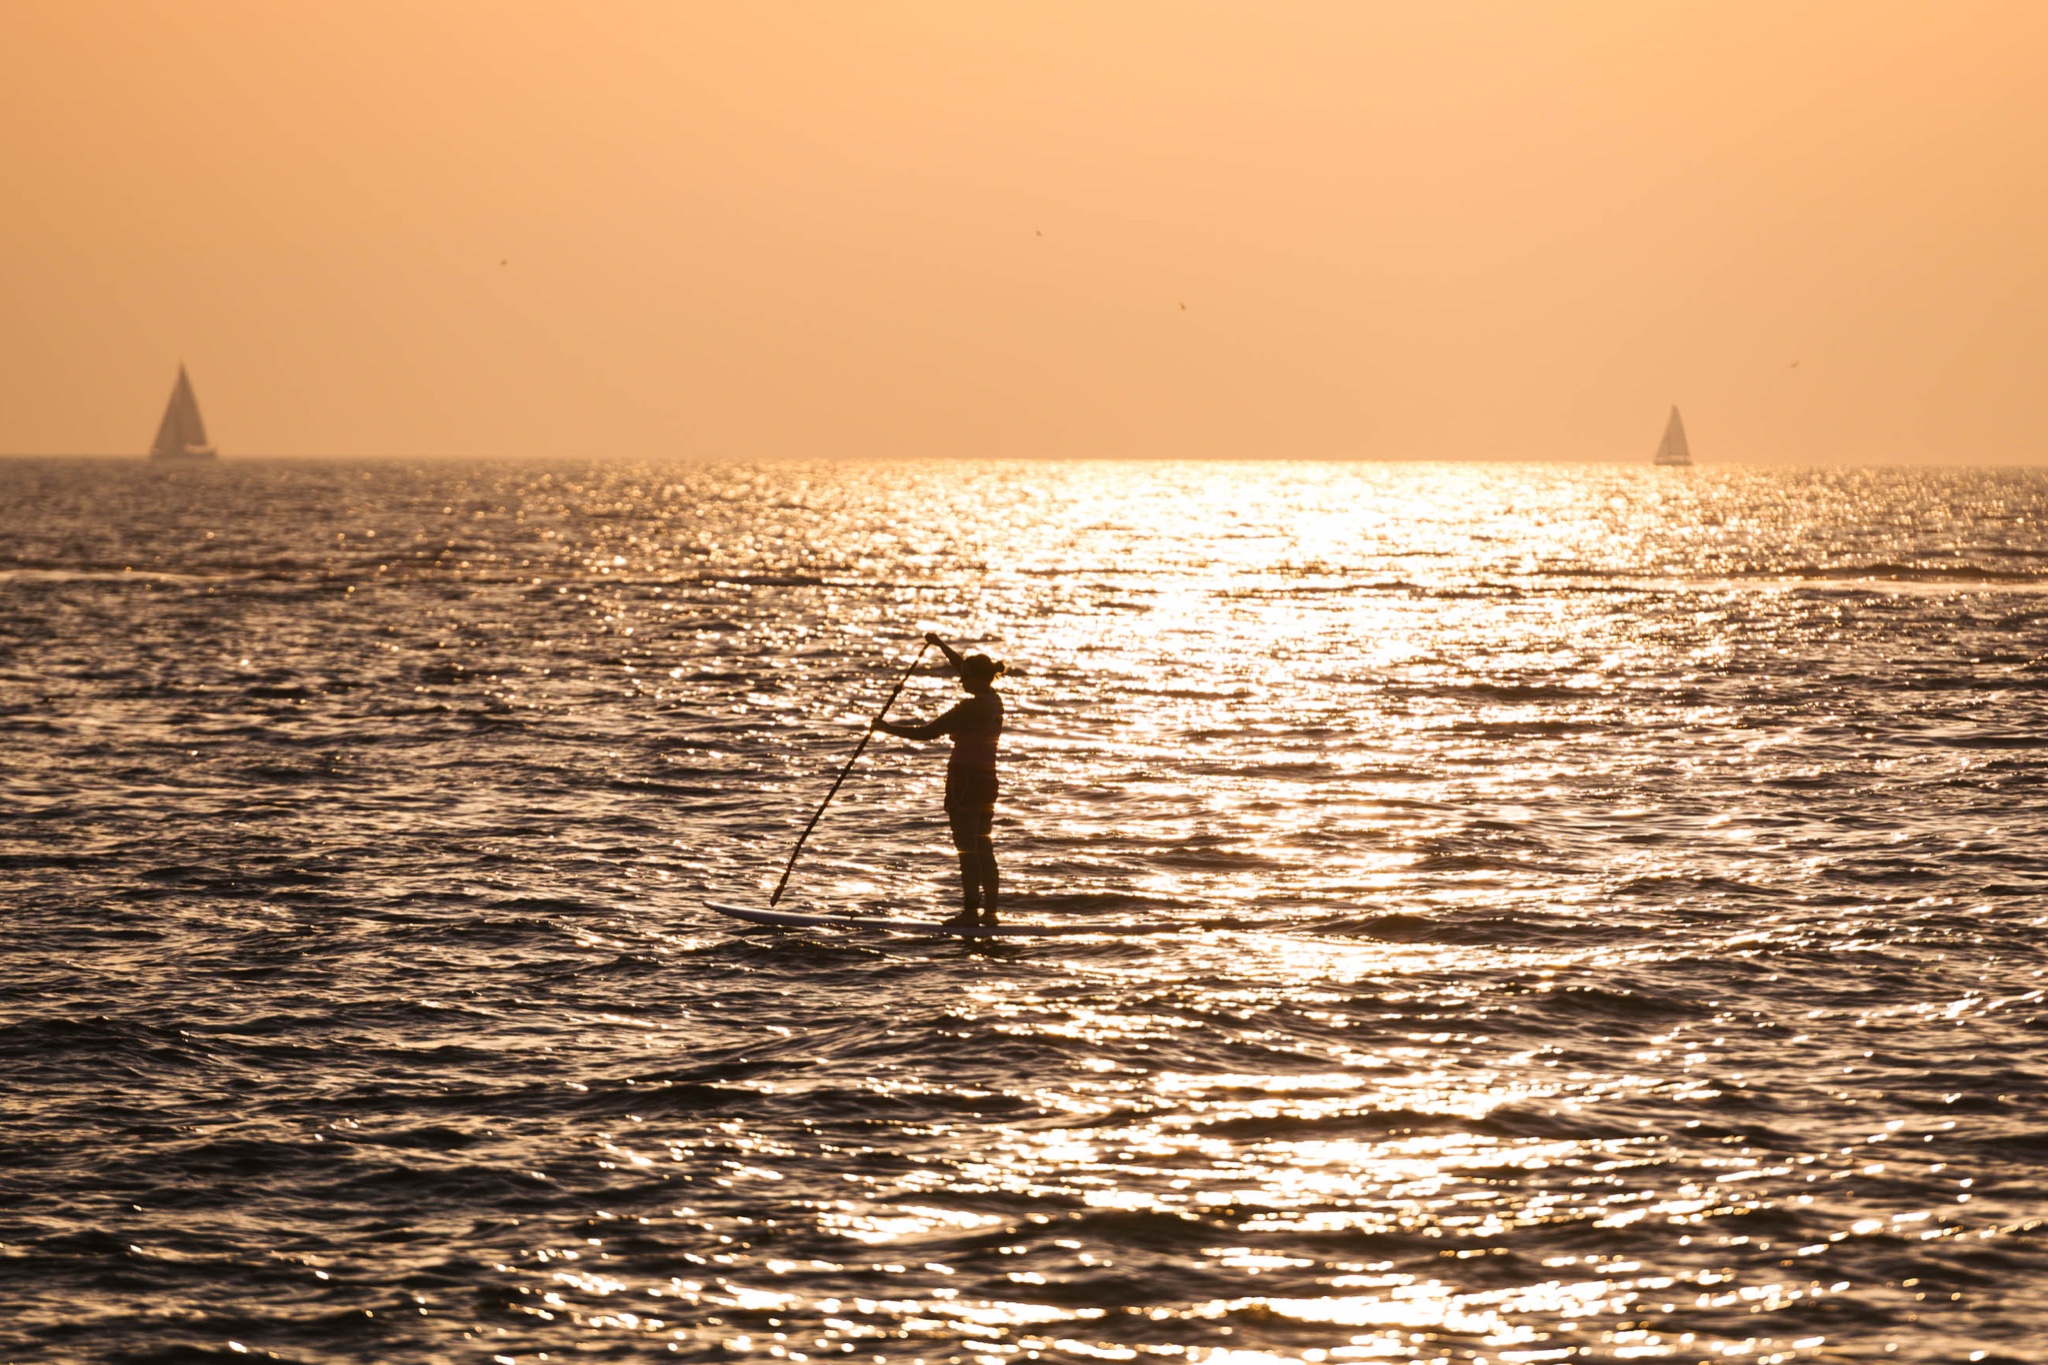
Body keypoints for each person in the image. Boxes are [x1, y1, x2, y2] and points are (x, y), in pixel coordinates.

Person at [875, 632, 1007, 927]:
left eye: (965, 678)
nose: (960, 682)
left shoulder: (969, 708)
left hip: (964, 785)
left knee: (967, 849)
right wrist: (941, 646)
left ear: (977, 679)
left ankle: (971, 912)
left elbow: (926, 732)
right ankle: (991, 913)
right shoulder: (994, 700)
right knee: (984, 846)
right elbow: (964, 667)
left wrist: (886, 728)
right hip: (987, 783)